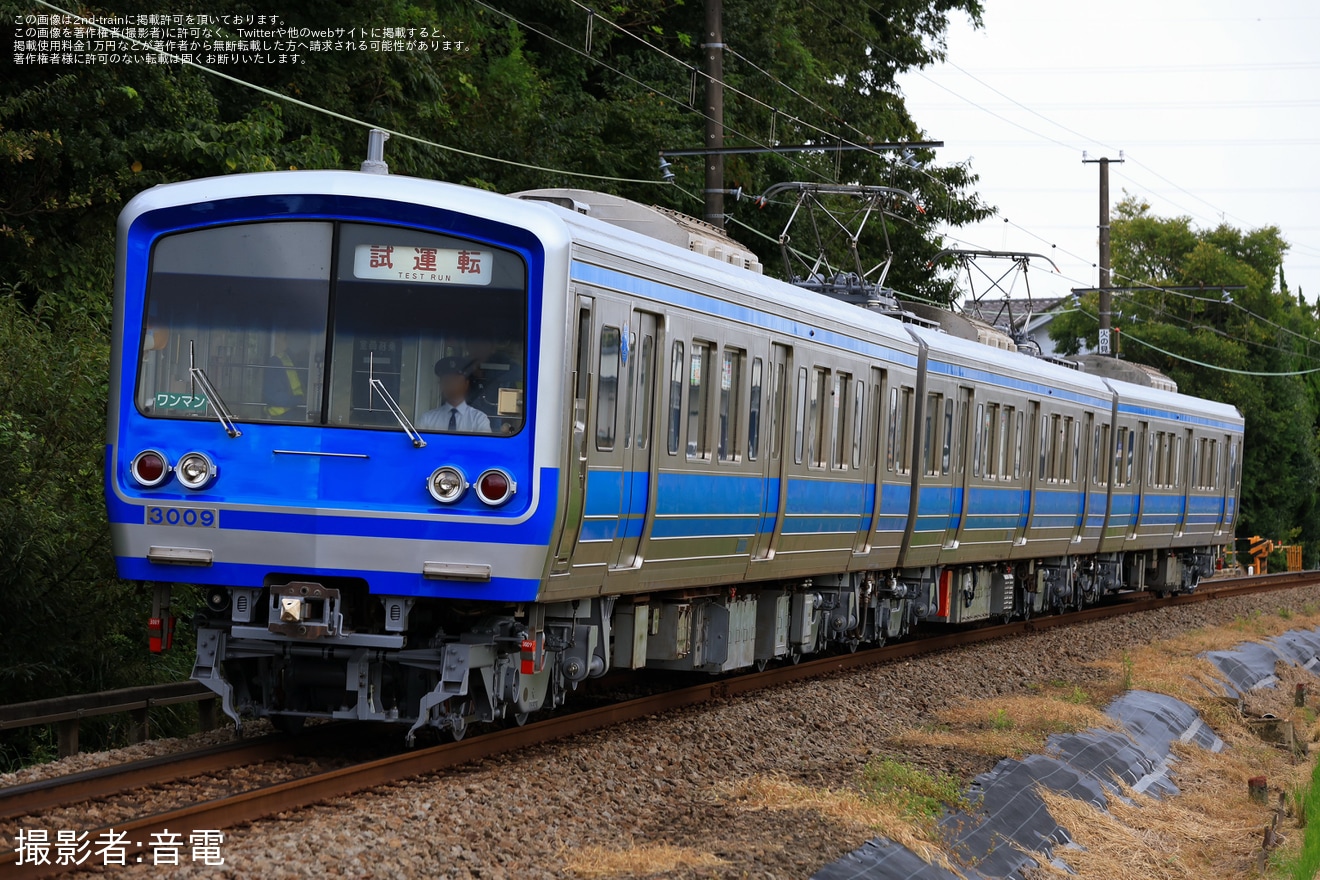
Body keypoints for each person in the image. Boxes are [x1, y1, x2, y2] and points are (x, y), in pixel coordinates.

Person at [418, 357, 491, 432]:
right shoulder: (427, 419)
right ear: (441, 385)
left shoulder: (478, 419)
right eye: (447, 381)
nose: (451, 386)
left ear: (466, 384)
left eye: (456, 381)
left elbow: (484, 443)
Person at [265, 330, 305, 417]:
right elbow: (273, 395)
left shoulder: (288, 357)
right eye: (282, 338)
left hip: (293, 409)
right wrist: (297, 400)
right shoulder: (275, 362)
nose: (286, 341)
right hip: (282, 413)